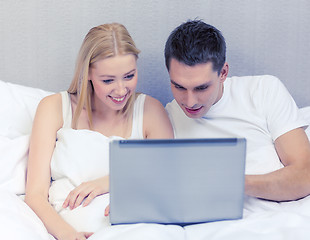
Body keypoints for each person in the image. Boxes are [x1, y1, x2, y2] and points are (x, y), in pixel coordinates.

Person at [25, 23, 173, 240]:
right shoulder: (54, 107)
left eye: (129, 76)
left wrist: (109, 182)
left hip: (136, 229)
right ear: (88, 74)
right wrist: (68, 235)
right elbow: (35, 195)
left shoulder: (150, 111)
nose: (121, 90)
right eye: (108, 80)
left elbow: (168, 179)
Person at [164, 20, 310, 202]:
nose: (190, 101)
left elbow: (305, 175)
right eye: (179, 86)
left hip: (270, 217)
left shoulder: (263, 90)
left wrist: (233, 183)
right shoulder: (164, 120)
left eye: (201, 88)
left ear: (223, 73)